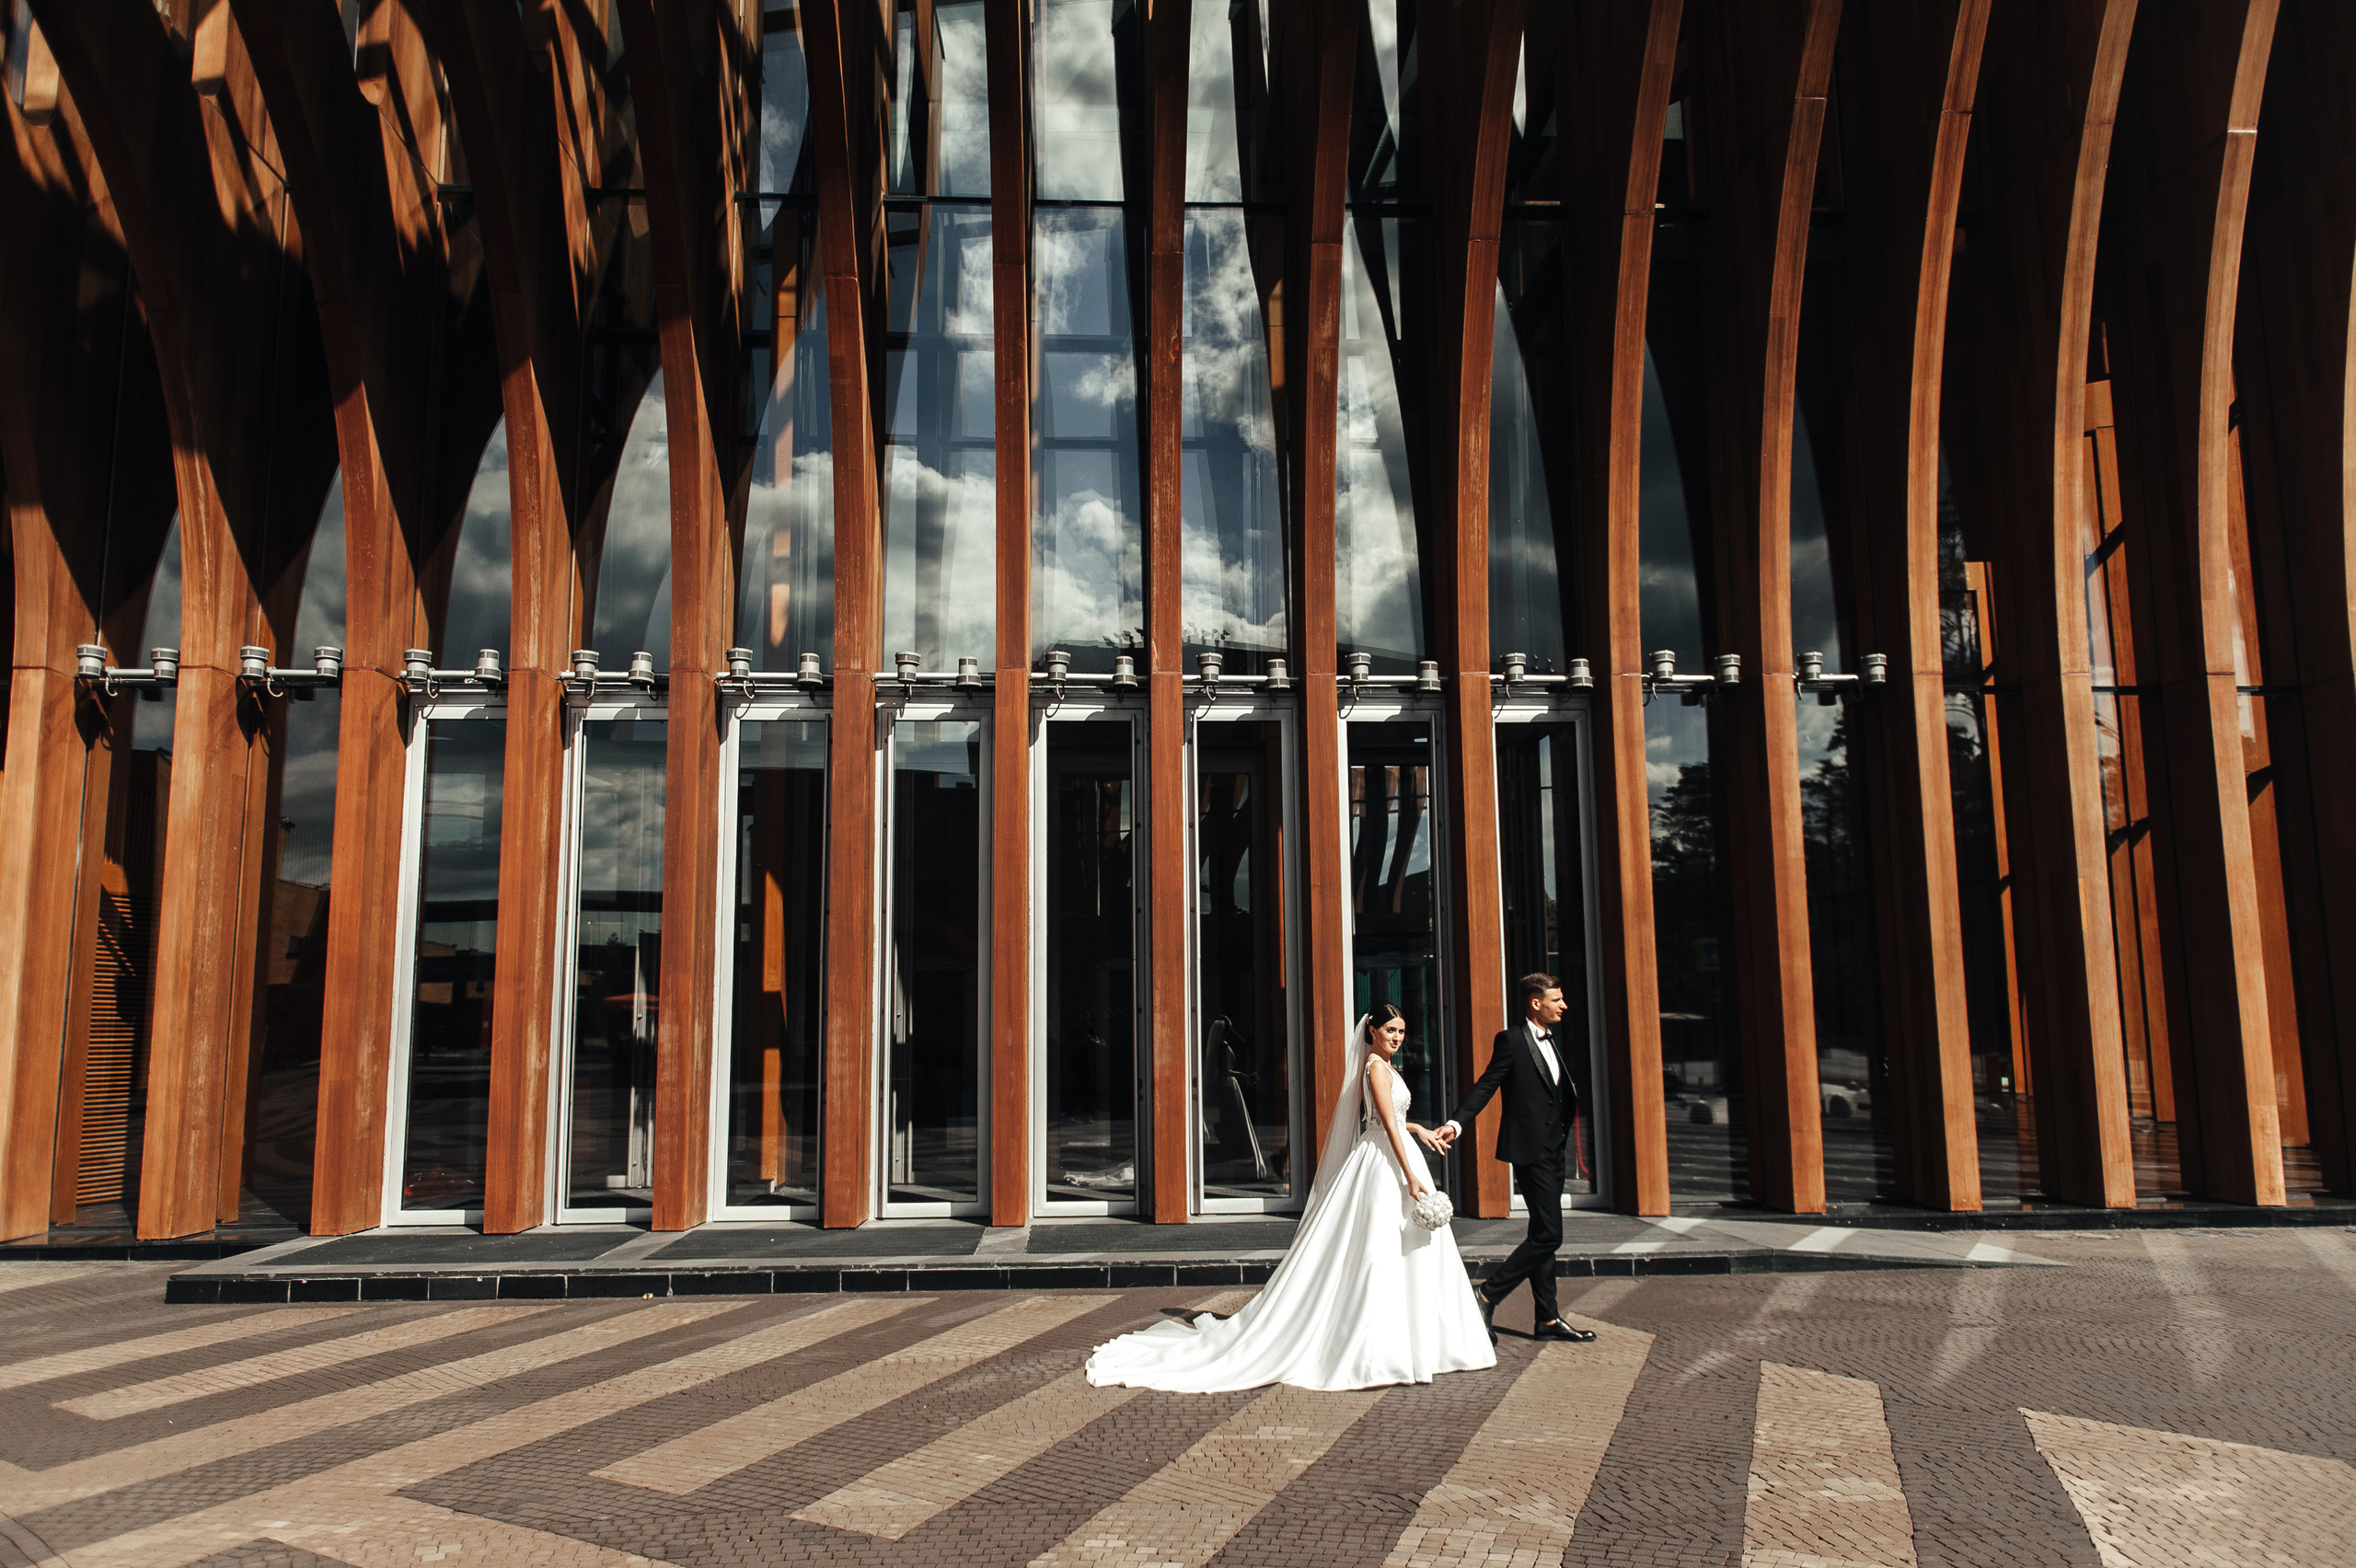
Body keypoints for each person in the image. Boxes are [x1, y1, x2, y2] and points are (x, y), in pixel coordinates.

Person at [1084, 1004, 1496, 1392]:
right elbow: (1385, 1124)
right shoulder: (1375, 1067)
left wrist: (1419, 1131)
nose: (1397, 1037)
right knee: (1378, 1248)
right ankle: (1379, 1344)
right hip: (1386, 1164)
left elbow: (1394, 1120)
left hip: (1393, 1154)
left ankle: (1418, 1340)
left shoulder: (1385, 1067)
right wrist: (1409, 1175)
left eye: (1402, 1032)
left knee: (1402, 1248)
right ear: (1371, 1031)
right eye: (1390, 1030)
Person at [1434, 973, 1599, 1344]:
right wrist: (1456, 1124)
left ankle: (1548, 1320)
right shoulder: (1511, 1040)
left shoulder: (1553, 1040)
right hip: (1531, 1150)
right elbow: (1486, 1085)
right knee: (1550, 1233)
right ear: (1536, 1003)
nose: (1564, 1005)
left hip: (1554, 1149)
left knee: (1542, 1232)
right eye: (1557, 999)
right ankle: (1487, 1293)